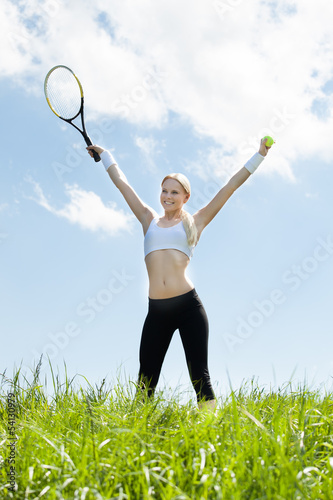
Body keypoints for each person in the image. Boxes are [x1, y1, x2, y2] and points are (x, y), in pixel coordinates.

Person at [87, 138, 272, 412]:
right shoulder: (148, 220)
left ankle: (210, 433)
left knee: (200, 375)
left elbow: (230, 186)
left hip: (188, 307)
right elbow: (122, 185)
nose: (167, 197)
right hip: (157, 311)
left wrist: (259, 156)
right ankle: (137, 434)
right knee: (145, 380)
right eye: (164, 191)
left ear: (185, 197)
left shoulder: (195, 222)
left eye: (174, 192)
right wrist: (106, 155)